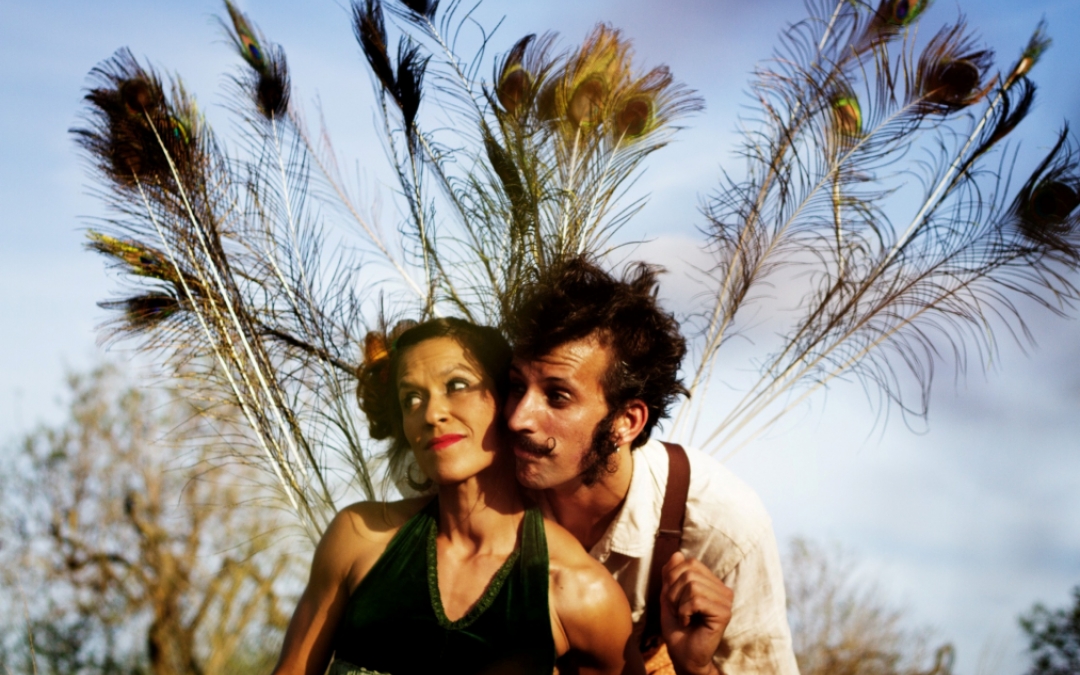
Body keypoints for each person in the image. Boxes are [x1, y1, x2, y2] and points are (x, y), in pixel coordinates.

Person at [271, 318, 644, 675]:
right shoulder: (359, 538)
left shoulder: (580, 591)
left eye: (457, 385)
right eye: (411, 398)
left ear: (508, 401)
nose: (431, 413)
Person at [504, 258, 799, 675]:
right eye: (517, 386)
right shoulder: (487, 481)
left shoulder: (725, 527)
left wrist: (696, 666)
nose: (518, 418)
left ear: (627, 422)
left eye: (557, 396)